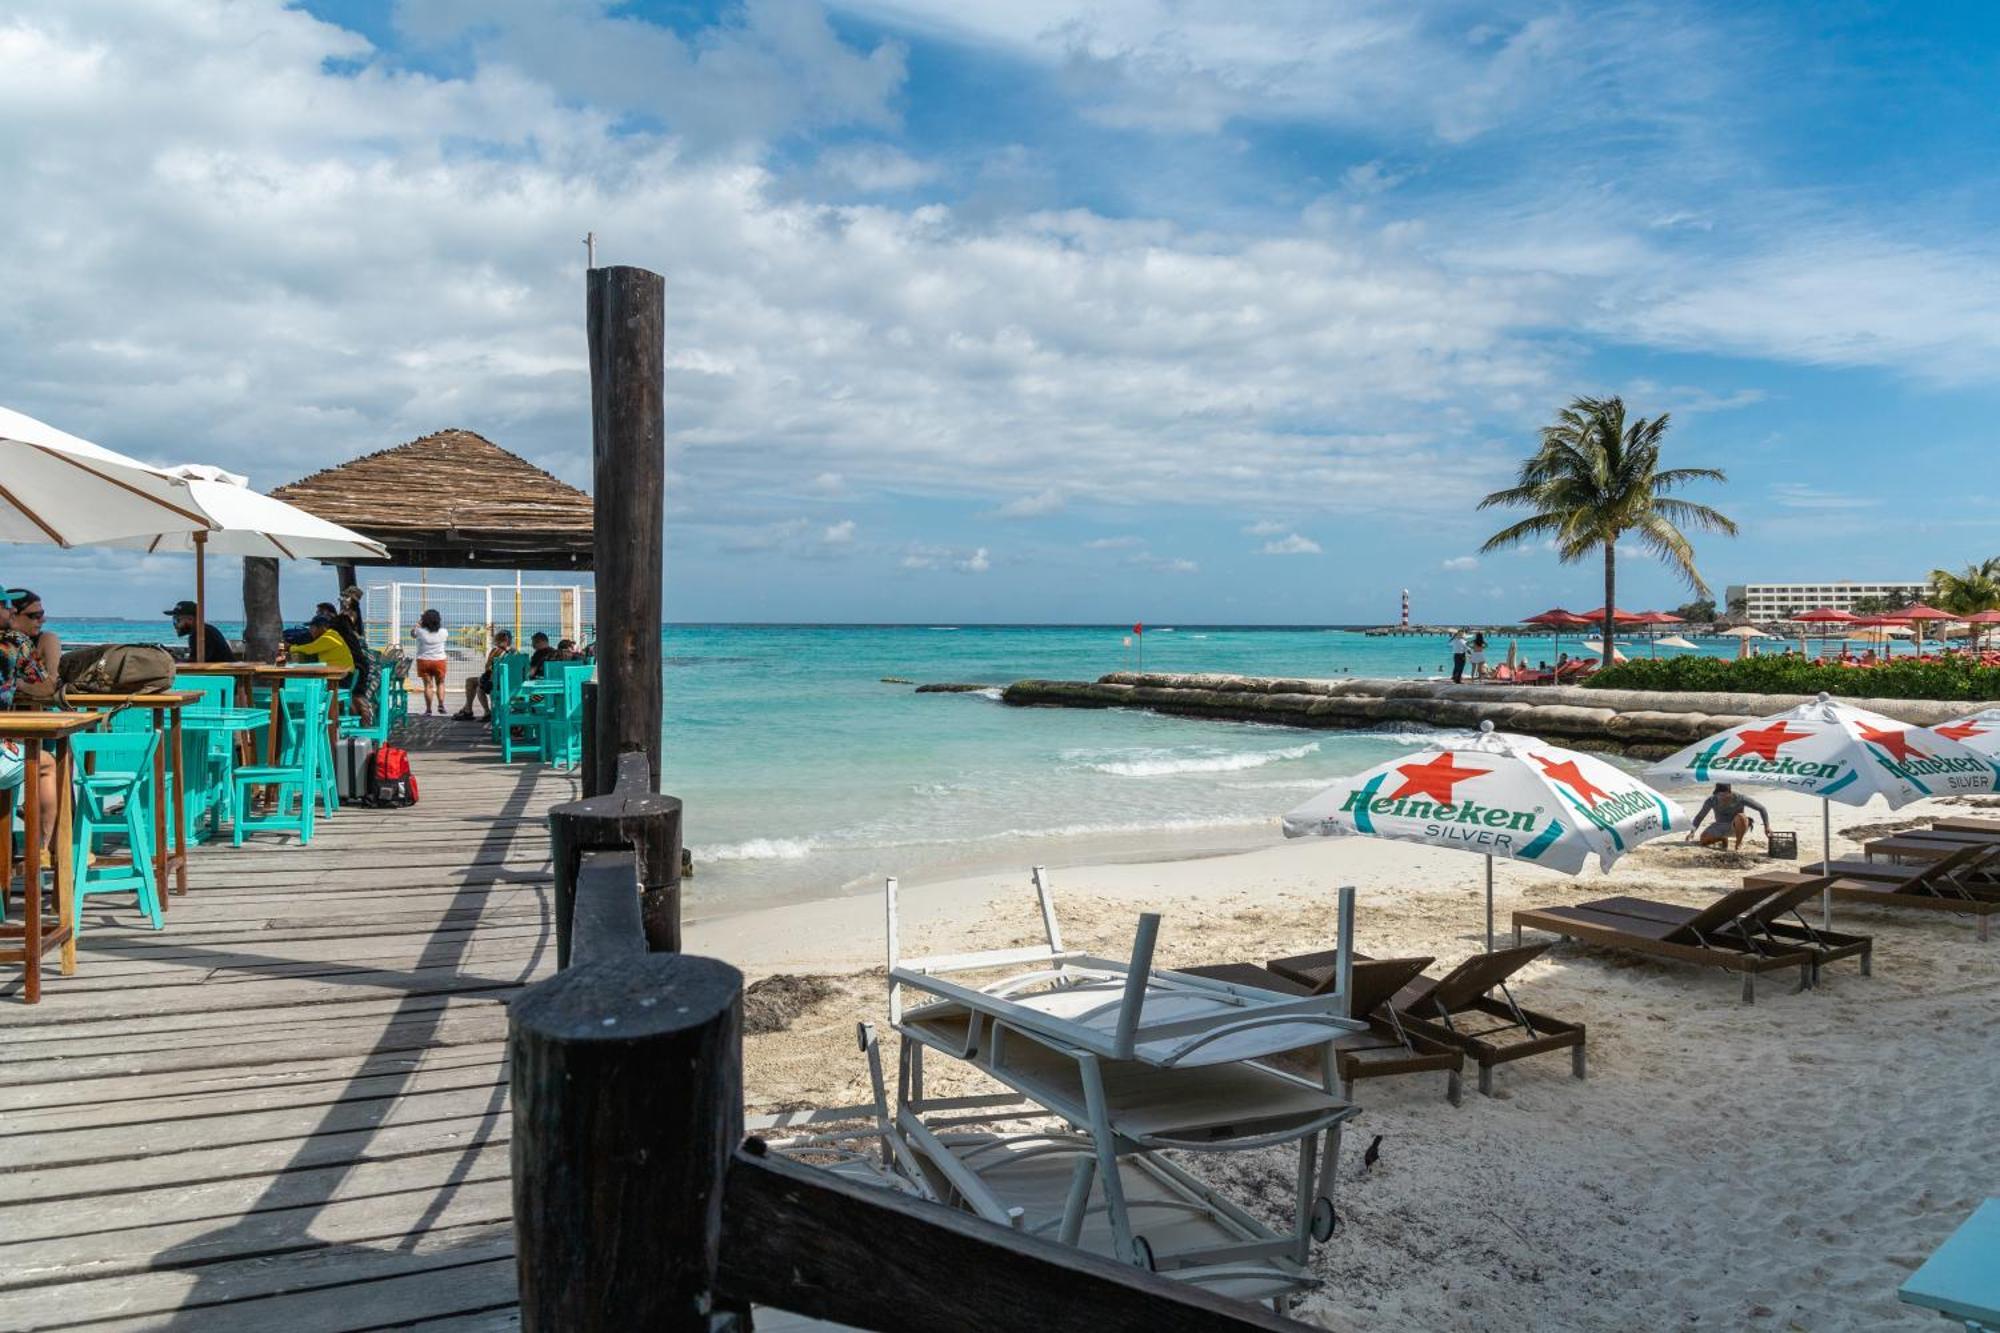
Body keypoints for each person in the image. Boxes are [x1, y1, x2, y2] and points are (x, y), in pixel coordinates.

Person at [0, 589, 60, 856]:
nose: (11, 611)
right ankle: (45, 849)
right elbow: (48, 686)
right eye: (6, 606)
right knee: (46, 763)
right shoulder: (13, 641)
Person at [454, 629, 513, 722]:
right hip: (512, 684)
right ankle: (467, 709)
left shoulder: (496, 651)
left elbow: (488, 668)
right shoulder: (516, 652)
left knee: (474, 684)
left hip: (496, 682)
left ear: (498, 640)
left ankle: (479, 711)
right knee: (472, 681)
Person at [1689, 783, 1770, 850]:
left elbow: (1761, 808)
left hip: (1737, 826)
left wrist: (1767, 827)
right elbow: (1700, 816)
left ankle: (1738, 844)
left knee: (1741, 817)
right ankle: (1723, 839)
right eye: (1718, 795)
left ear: (1729, 792)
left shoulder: (1740, 798)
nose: (1720, 797)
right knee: (1703, 840)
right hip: (1720, 825)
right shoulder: (1712, 800)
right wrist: (1692, 832)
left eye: (1723, 794)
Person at [285, 613, 356, 687]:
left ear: (322, 627)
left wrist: (290, 647)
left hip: (342, 677)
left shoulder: (329, 637)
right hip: (339, 674)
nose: (310, 630)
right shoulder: (332, 635)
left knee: (304, 684)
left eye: (312, 627)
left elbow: (310, 649)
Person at [165, 600, 235, 663]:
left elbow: (195, 664)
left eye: (177, 620)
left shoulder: (201, 633)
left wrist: (174, 659)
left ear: (190, 619)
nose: (175, 625)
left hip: (223, 675)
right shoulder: (205, 630)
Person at [410, 609, 450, 715]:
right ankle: (441, 705)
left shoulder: (420, 631)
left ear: (424, 620)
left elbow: (412, 634)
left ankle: (428, 710)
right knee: (440, 683)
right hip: (439, 661)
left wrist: (418, 623)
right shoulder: (444, 632)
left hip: (424, 661)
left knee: (428, 685)